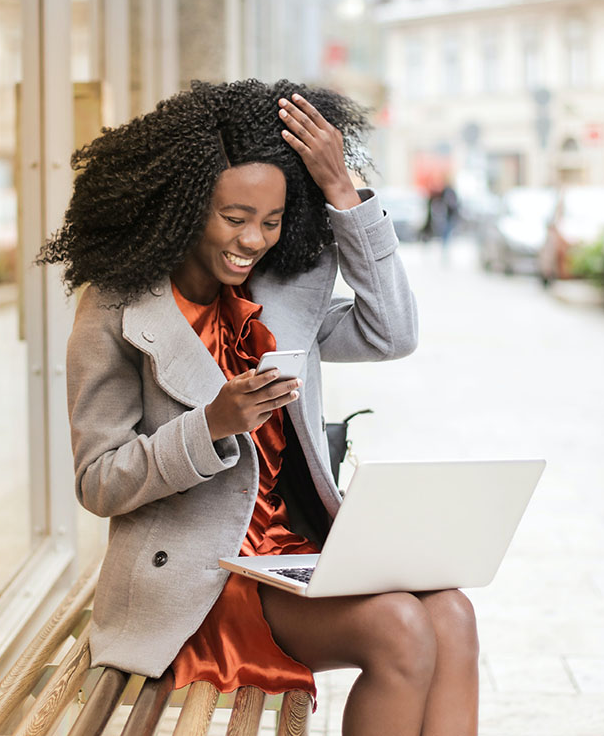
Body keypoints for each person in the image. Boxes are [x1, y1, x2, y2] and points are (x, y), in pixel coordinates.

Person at [38, 79, 480, 735]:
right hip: (199, 581)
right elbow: (98, 481)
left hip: (293, 556)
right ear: (184, 208)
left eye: (271, 221)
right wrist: (211, 425)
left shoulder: (276, 296)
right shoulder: (117, 308)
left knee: (453, 612)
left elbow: (393, 333)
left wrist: (341, 192)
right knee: (399, 628)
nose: (254, 240)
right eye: (235, 217)